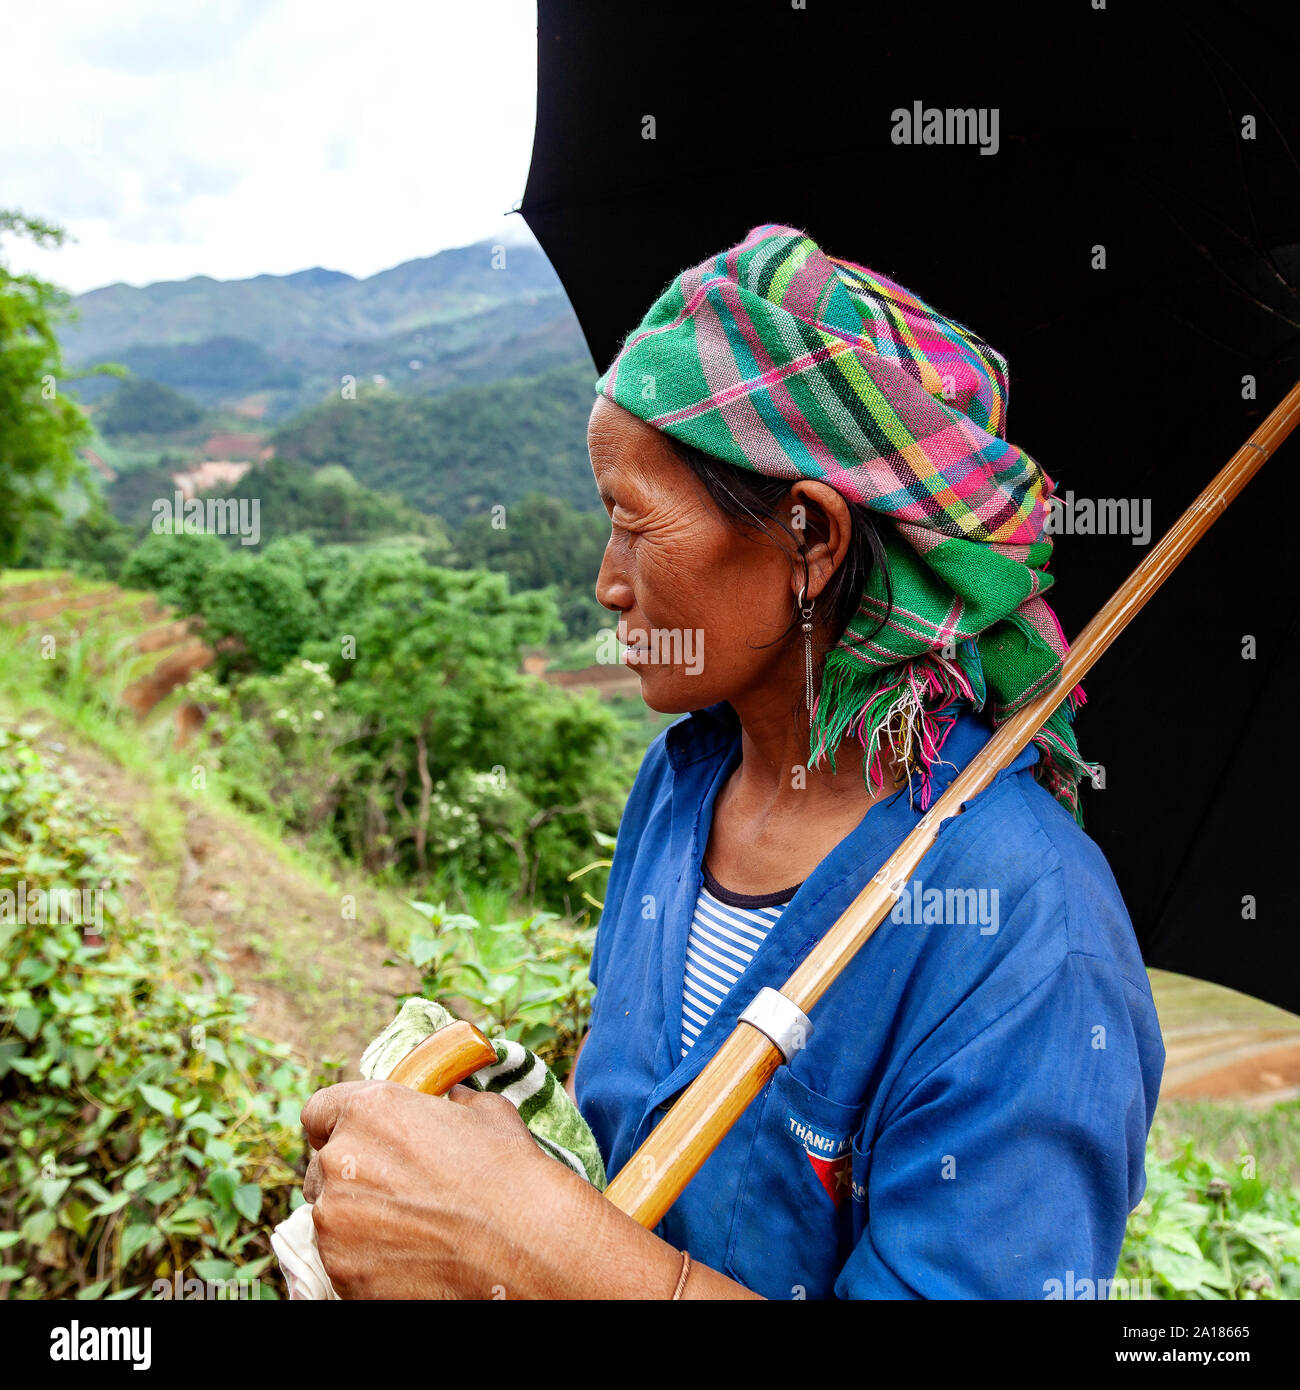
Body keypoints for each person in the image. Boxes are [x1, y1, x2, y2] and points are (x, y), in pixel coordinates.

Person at [301, 224, 1165, 1300]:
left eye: (632, 523)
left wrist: (533, 1241)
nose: (607, 581)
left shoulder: (1028, 927)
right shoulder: (680, 783)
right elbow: (625, 1127)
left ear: (809, 536)